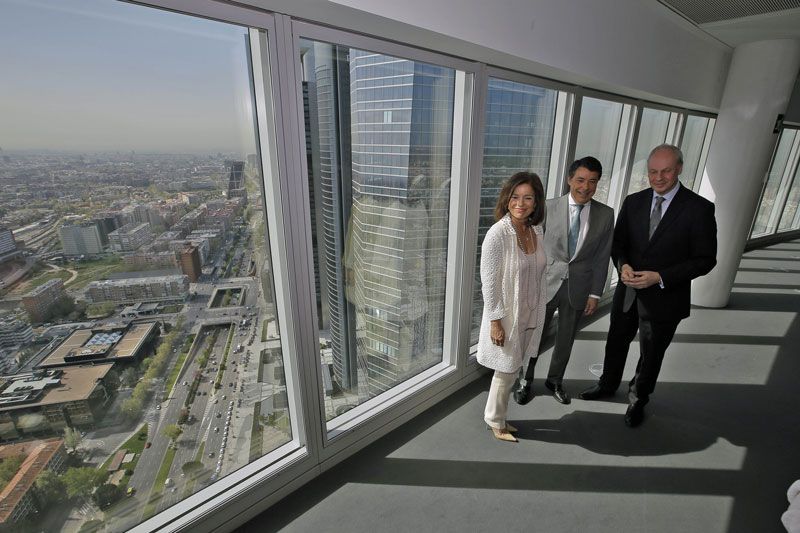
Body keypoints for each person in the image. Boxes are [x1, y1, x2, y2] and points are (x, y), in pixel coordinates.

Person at [580, 144, 717, 427]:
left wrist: (661, 276)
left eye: (666, 171)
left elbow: (705, 260)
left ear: (679, 168)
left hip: (666, 298)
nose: (659, 177)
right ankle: (607, 385)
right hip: (628, 292)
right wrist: (623, 265)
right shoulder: (634, 201)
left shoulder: (699, 209)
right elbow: (619, 245)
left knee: (651, 355)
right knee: (616, 342)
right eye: (653, 171)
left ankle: (638, 400)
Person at [513, 156, 614, 405]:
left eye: (592, 181)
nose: (585, 187)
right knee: (534, 336)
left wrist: (595, 294)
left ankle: (554, 380)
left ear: (597, 183)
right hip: (544, 285)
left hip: (578, 288)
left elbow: (603, 257)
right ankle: (525, 380)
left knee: (566, 339)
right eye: (580, 180)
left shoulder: (606, 214)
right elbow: (531, 248)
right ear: (570, 180)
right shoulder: (547, 207)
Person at [477, 172, 547, 442]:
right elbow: (489, 283)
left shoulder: (535, 230)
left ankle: (499, 416)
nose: (521, 203)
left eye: (528, 197)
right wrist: (495, 321)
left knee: (514, 367)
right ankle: (495, 421)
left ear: (536, 202)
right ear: (507, 200)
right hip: (507, 316)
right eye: (515, 197)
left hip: (529, 312)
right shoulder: (498, 234)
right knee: (505, 370)